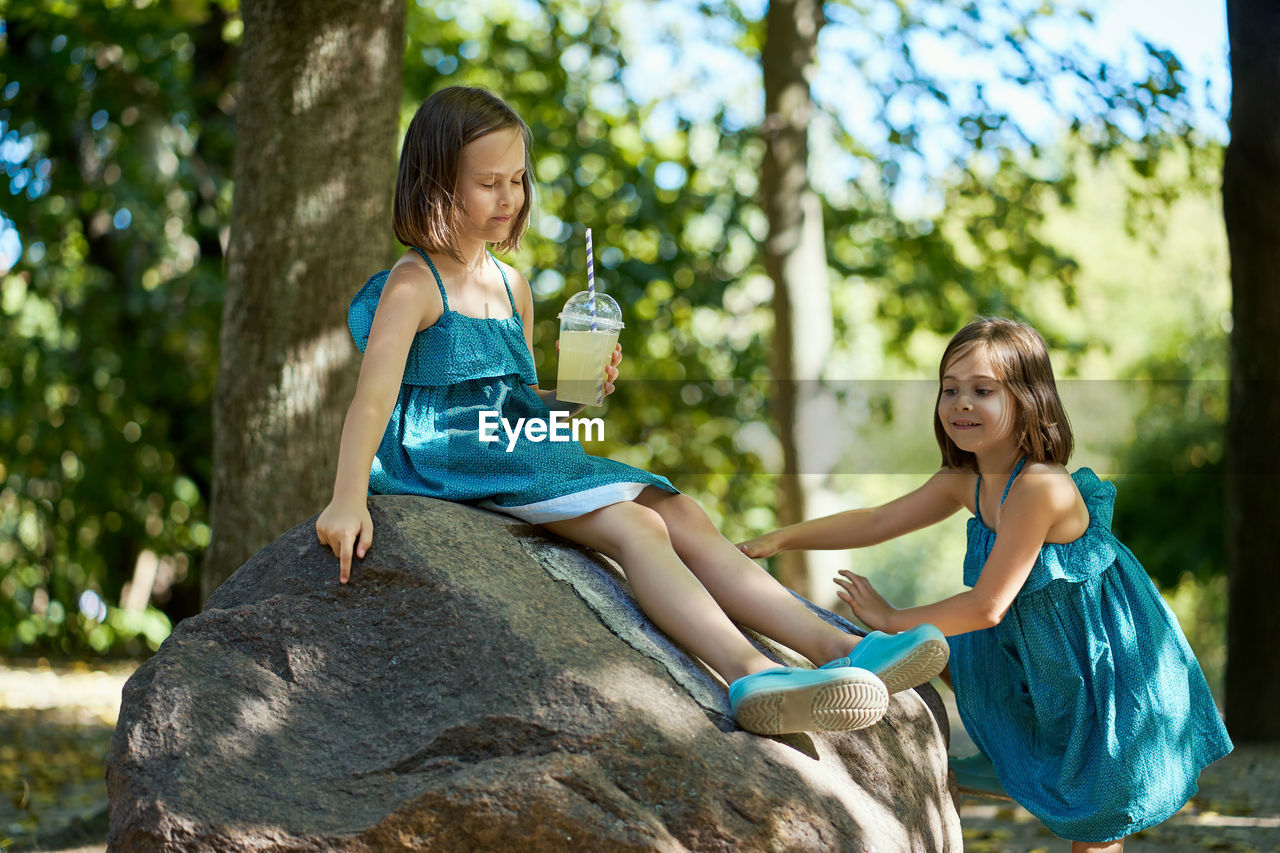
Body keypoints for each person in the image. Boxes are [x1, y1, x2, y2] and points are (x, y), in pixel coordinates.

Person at [313, 86, 948, 736]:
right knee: (636, 527)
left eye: (517, 179)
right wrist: (348, 496)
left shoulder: (512, 285)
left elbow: (525, 406)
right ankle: (748, 670)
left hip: (510, 446)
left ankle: (837, 649)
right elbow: (374, 396)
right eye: (487, 183)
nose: (509, 198)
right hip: (449, 455)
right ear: (435, 187)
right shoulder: (416, 282)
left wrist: (577, 392)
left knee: (679, 510)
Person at [738, 317, 1232, 850]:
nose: (961, 404)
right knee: (949, 660)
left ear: (1028, 399)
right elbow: (879, 520)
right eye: (950, 390)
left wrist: (892, 618)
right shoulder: (964, 482)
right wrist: (778, 540)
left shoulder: (1041, 485)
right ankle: (1009, 756)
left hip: (1092, 653)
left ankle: (1024, 764)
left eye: (982, 390)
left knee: (1099, 794)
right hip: (1026, 644)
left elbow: (989, 604)